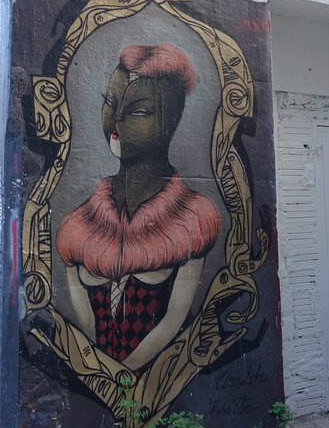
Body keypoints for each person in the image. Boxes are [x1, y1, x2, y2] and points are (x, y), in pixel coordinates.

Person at [56, 43, 220, 370]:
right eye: (110, 103)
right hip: (96, 380)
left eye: (139, 111)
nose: (116, 120)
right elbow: (85, 324)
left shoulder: (194, 217)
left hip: (151, 381)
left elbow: (174, 318)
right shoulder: (78, 225)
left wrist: (123, 375)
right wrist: (104, 373)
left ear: (171, 121)